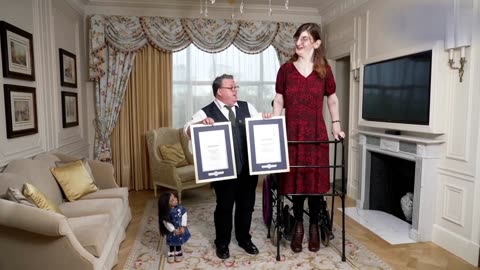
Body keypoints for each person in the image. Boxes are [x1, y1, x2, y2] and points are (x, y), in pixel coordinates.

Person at [270, 22, 345, 253]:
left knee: (313, 183)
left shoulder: (325, 70)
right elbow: (279, 100)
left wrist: (336, 126)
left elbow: (332, 99)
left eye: (304, 39)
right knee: (296, 182)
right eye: (297, 39)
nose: (298, 43)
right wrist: (274, 123)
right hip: (292, 133)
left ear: (316, 43)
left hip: (315, 133)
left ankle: (314, 225)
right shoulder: (285, 70)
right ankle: (299, 226)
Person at [184, 74, 270, 260]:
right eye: (231, 87)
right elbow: (187, 130)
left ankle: (244, 239)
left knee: (246, 206)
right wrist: (200, 124)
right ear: (219, 92)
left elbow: (260, 126)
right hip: (223, 171)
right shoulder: (206, 111)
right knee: (224, 207)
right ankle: (222, 243)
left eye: (235, 87)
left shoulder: (248, 107)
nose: (235, 90)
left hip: (248, 169)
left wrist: (266, 119)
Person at [158, 192, 191, 263]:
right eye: (172, 200)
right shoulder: (166, 212)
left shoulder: (180, 207)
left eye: (175, 197)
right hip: (172, 231)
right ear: (167, 204)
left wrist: (183, 226)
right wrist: (173, 230)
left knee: (179, 241)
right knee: (172, 242)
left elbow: (184, 214)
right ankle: (171, 252)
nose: (176, 200)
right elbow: (167, 223)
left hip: (180, 228)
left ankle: (178, 251)